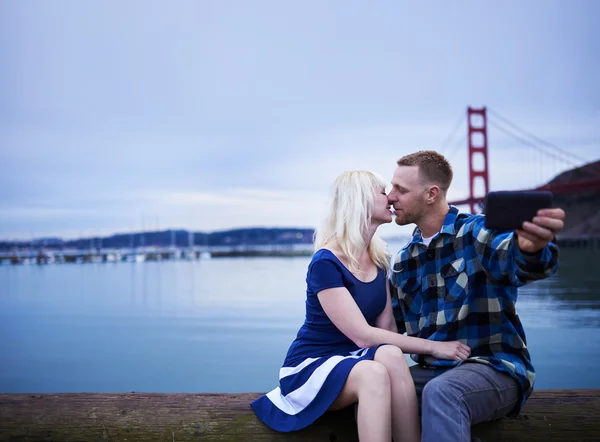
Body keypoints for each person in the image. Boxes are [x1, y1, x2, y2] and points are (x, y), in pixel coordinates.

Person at [251, 170, 471, 442]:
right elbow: (362, 336)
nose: (390, 198)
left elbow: (386, 330)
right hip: (311, 366)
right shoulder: (326, 262)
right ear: (361, 201)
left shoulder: (378, 260)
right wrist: (434, 347)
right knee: (372, 372)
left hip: (352, 360)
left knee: (390, 354)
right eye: (382, 192)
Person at [386, 150, 565, 442]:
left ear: (431, 194)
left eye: (400, 190)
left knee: (444, 392)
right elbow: (390, 331)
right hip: (434, 371)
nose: (390, 196)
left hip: (494, 368)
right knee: (379, 391)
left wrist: (529, 248)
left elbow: (513, 258)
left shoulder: (476, 232)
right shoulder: (403, 260)